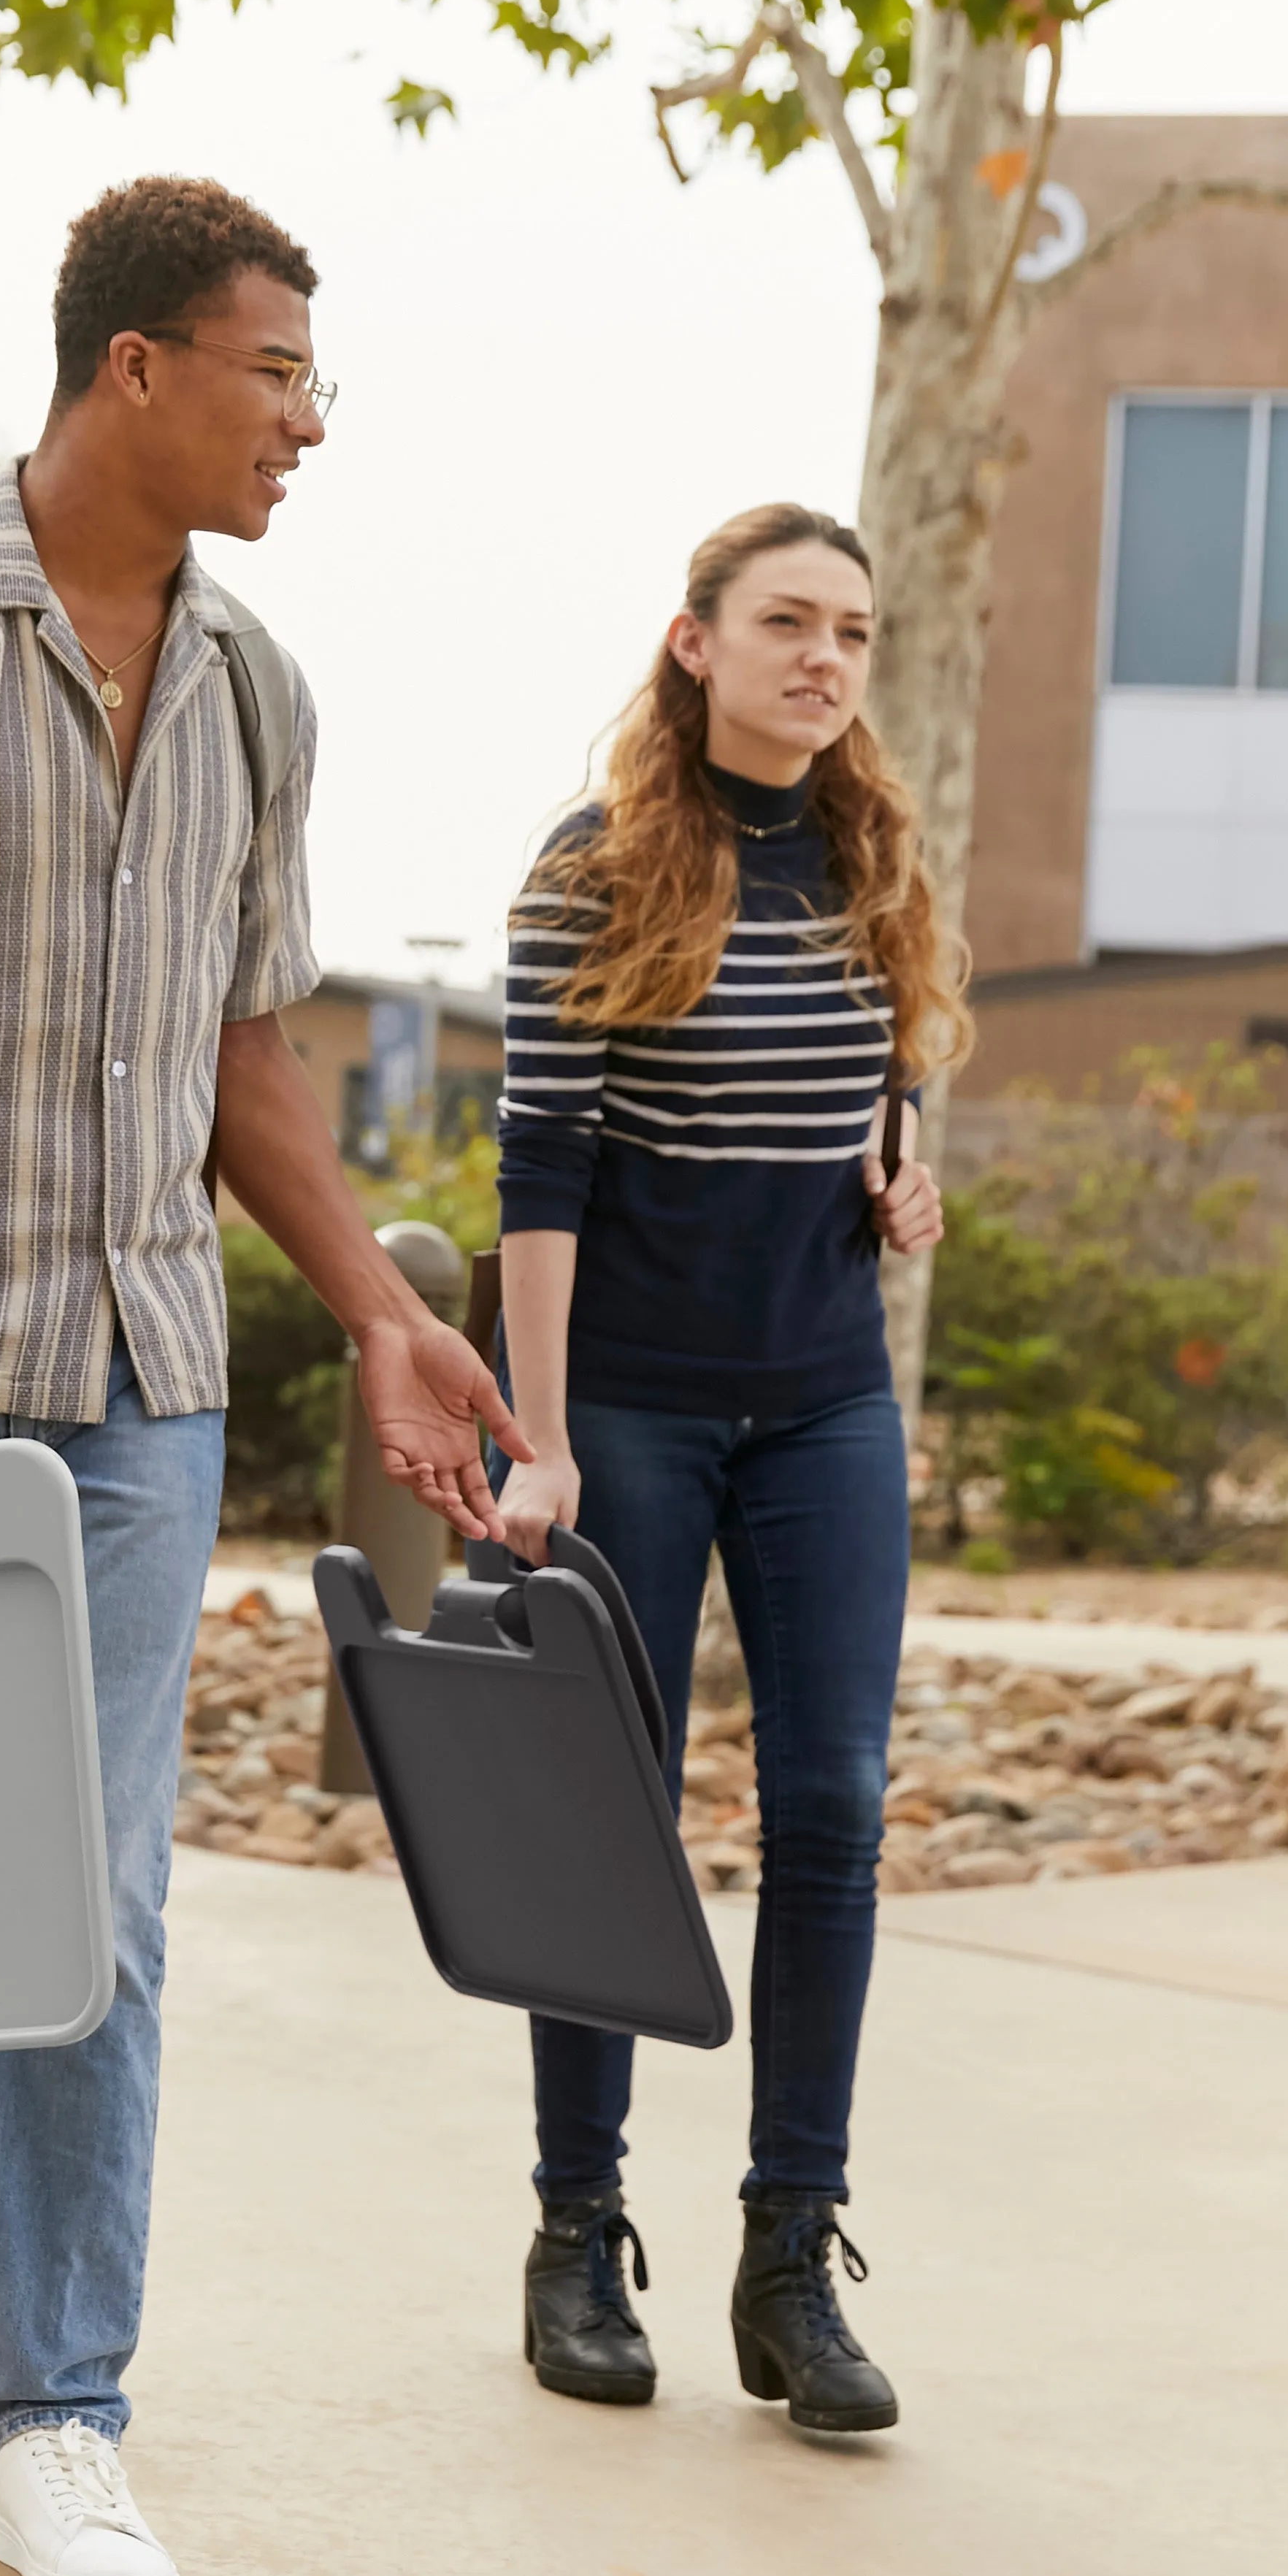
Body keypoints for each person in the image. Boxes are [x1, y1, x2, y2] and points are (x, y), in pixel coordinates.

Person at [0, 176, 526, 2576]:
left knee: (94, 1905)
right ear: (134, 367)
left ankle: (53, 2414)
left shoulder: (260, 687)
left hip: (141, 1390)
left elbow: (247, 1060)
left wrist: (369, 1300)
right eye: (278, 375)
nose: (309, 426)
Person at [489, 501, 968, 2431]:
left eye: (850, 630)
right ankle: (578, 2229)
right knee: (606, 1814)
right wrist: (537, 1442)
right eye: (786, 621)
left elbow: (883, 1092)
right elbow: (543, 1170)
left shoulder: (873, 856)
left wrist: (906, 1175)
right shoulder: (590, 868)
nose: (824, 658)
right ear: (695, 642)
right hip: (629, 1406)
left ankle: (793, 2255)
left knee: (834, 1809)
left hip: (828, 1401)